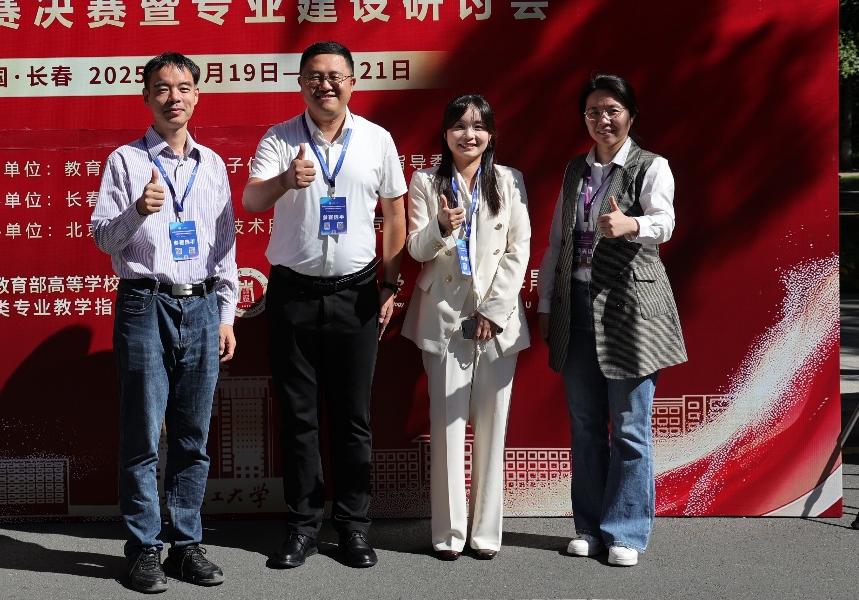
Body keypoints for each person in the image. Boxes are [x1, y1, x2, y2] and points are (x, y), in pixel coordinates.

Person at [242, 40, 406, 569]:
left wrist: (390, 284)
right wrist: (286, 179)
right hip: (292, 294)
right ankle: (303, 527)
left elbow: (395, 214)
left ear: (352, 82)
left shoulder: (377, 139)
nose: (325, 85)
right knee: (299, 419)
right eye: (314, 76)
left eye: (335, 76)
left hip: (356, 295)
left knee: (353, 419)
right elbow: (251, 200)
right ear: (301, 84)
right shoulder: (279, 138)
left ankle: (354, 527)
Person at [91, 51, 239, 593]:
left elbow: (225, 247)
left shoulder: (214, 164)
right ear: (146, 97)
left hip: (200, 305)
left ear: (197, 95)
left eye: (182, 87)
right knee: (143, 434)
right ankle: (142, 550)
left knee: (193, 436)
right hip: (144, 304)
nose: (173, 97)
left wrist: (226, 314)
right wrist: (139, 210)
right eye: (161, 88)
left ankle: (185, 545)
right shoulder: (125, 161)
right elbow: (103, 238)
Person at [537, 73, 687, 568]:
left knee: (629, 426)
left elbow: (665, 223)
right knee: (584, 425)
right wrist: (546, 303)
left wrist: (631, 224)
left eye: (612, 110)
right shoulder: (574, 170)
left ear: (631, 115)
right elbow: (558, 240)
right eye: (593, 112)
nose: (603, 120)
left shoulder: (651, 166)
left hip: (629, 308)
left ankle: (626, 531)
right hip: (578, 304)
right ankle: (588, 527)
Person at [401, 94, 530, 561]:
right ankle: (449, 534)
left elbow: (519, 249)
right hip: (446, 317)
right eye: (459, 126)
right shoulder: (425, 181)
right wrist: (439, 226)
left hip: (496, 320)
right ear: (445, 133)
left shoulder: (509, 181)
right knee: (447, 427)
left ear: (490, 135)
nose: (468, 135)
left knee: (493, 429)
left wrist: (493, 312)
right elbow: (415, 250)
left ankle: (486, 534)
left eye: (478, 127)